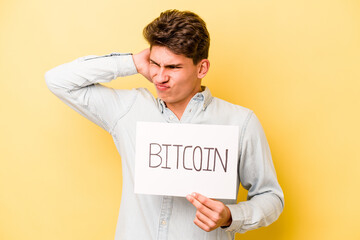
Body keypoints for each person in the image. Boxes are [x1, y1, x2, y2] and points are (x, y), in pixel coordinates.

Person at [45, 9, 284, 240]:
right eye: (155, 64)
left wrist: (231, 216)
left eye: (172, 67)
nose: (159, 77)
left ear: (202, 68)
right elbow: (58, 80)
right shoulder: (128, 110)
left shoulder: (240, 122)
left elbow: (270, 196)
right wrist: (133, 62)